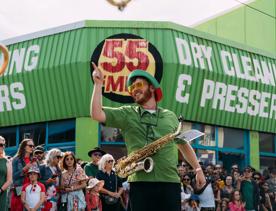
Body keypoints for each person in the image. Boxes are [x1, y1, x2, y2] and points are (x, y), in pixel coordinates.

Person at [90, 64, 206, 211]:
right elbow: (96, 114)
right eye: (131, 88)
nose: (134, 89)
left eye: (138, 84)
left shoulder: (170, 116)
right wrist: (98, 84)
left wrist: (198, 169)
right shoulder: (127, 113)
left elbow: (183, 144)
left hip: (170, 183)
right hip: (140, 183)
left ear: (152, 87)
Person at [11, 139, 36, 211]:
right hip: (20, 191)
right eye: (30, 146)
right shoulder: (16, 159)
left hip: (31, 191)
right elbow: (13, 177)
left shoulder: (34, 160)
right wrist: (24, 169)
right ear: (24, 147)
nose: (32, 148)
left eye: (33, 146)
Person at [0, 136, 12, 211]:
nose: (2, 147)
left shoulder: (7, 161)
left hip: (2, 194)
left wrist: (0, 190)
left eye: (3, 145)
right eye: (0, 144)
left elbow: (9, 180)